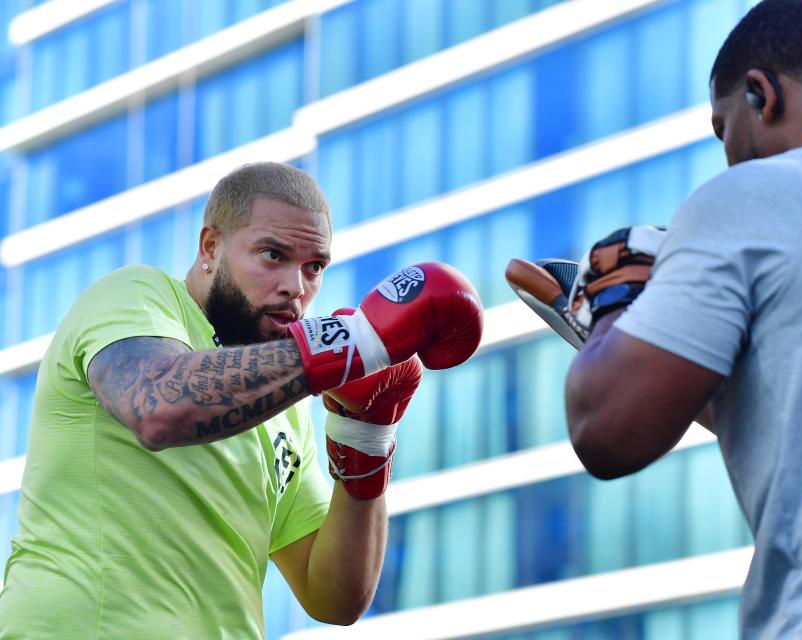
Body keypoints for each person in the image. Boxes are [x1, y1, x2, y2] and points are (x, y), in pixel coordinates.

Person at [518, 0, 802, 637]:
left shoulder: (753, 195)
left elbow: (605, 430)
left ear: (761, 95)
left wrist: (616, 301)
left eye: (726, 134)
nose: (728, 158)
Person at [0, 162, 483, 638]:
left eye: (314, 267)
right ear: (211, 246)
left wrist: (369, 437)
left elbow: (334, 595)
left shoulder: (286, 407)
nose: (296, 287)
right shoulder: (138, 296)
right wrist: (353, 341)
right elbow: (157, 407)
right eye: (273, 255)